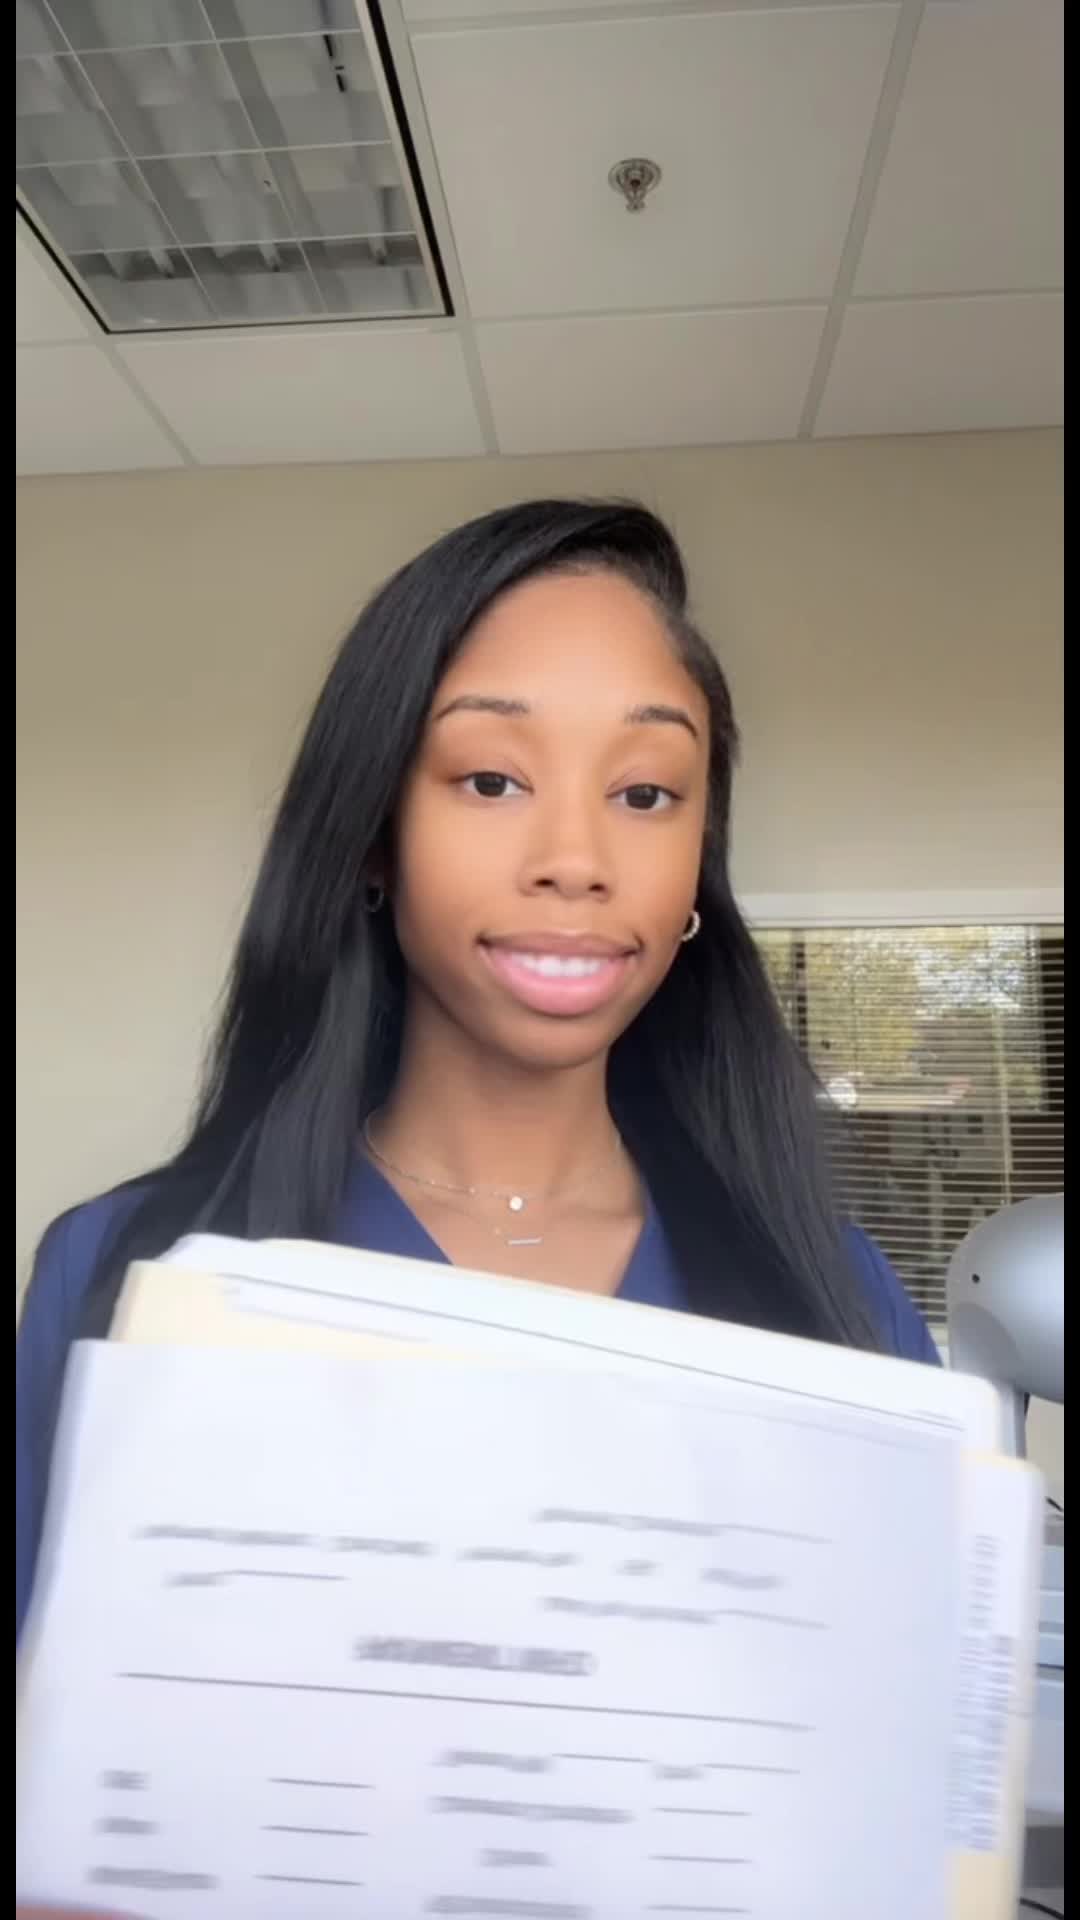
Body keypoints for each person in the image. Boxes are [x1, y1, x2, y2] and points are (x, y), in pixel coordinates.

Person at [16, 499, 938, 1655]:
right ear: (373, 836)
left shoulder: (835, 1292)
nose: (576, 862)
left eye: (646, 793)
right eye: (493, 780)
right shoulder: (126, 1270)